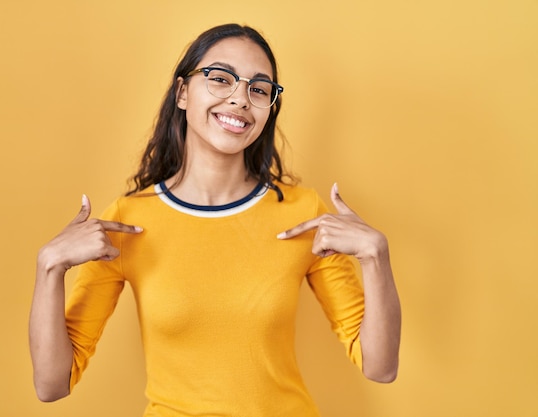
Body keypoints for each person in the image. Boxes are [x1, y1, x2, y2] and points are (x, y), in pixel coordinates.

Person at [29, 23, 401, 417]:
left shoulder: (303, 214)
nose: (241, 99)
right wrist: (48, 268)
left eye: (259, 89)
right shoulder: (128, 221)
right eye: (220, 79)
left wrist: (376, 257)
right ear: (182, 93)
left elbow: (381, 366)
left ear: (269, 108)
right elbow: (52, 383)